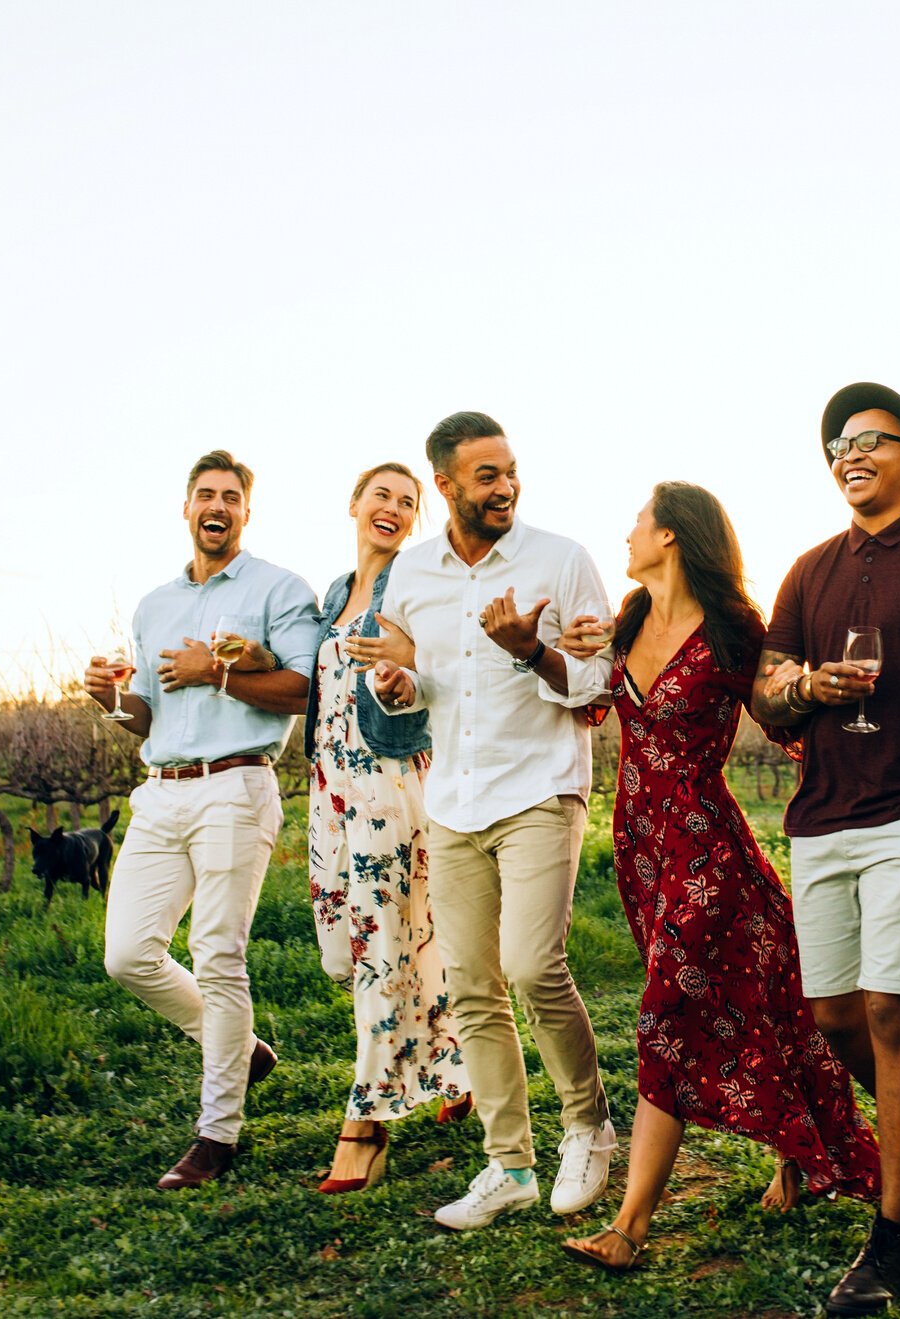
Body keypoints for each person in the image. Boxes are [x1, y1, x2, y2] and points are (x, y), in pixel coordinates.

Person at [555, 482, 882, 1273]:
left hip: (705, 852)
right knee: (760, 1004)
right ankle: (795, 1152)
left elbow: (779, 717)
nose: (627, 533)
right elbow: (593, 705)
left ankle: (631, 1224)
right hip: (639, 848)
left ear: (671, 537)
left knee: (666, 1014)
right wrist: (554, 651)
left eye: (638, 522)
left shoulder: (737, 628)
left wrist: (823, 697)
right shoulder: (631, 618)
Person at [749, 383, 900, 1318]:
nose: (848, 454)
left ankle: (890, 1244)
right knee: (833, 1014)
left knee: (893, 1008)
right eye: (836, 445)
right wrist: (809, 684)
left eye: (869, 440)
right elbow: (768, 694)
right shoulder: (809, 570)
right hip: (822, 817)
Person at [360, 411, 616, 1231]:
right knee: (472, 984)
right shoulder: (412, 574)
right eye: (485, 476)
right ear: (445, 484)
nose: (504, 487)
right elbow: (400, 671)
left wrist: (529, 649)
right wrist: (394, 687)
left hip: (540, 789)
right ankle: (507, 1162)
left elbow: (596, 687)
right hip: (454, 800)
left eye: (510, 471)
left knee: (533, 965)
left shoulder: (561, 560)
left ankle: (590, 1125)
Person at [81, 449, 317, 1189]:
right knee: (128, 954)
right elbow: (150, 713)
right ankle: (240, 1046)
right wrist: (108, 698)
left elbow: (304, 688)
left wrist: (219, 671)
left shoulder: (280, 589)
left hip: (236, 785)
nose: (217, 507)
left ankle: (218, 1132)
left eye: (231, 497)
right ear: (186, 508)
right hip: (161, 789)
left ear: (246, 511)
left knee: (218, 953)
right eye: (205, 496)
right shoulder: (154, 604)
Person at [304, 461, 471, 1193]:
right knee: (354, 946)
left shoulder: (420, 588)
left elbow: (443, 669)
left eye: (409, 502)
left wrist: (410, 681)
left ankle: (365, 1122)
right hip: (328, 785)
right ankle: (454, 1059)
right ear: (354, 504)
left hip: (389, 779)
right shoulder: (336, 595)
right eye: (383, 495)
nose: (395, 509)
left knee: (380, 947)